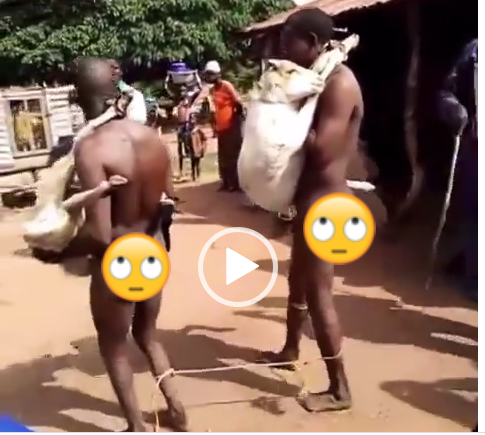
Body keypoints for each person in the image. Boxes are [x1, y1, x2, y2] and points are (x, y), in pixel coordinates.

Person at [70, 57, 187, 432]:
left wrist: (63, 247)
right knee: (148, 335)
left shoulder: (91, 149)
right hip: (152, 249)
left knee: (113, 345)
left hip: (118, 257)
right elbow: (168, 198)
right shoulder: (151, 137)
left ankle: (137, 426)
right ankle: (177, 411)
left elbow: (100, 233)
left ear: (80, 97)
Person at [258, 8, 363, 413]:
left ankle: (340, 389)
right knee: (298, 281)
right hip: (309, 201)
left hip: (328, 207)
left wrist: (279, 116)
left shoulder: (339, 85)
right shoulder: (316, 80)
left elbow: (321, 150)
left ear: (314, 44)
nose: (283, 49)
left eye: (290, 42)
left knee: (319, 296)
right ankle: (290, 349)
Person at [437, 39, 477, 302]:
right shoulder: (475, 51)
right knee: (474, 216)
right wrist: (454, 109)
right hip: (477, 151)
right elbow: (445, 92)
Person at [203, 60, 244, 192]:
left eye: (210, 74)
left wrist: (236, 120)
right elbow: (214, 109)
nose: (208, 77)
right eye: (207, 74)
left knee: (232, 155)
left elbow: (238, 102)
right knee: (222, 156)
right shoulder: (212, 90)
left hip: (231, 126)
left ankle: (234, 183)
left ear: (217, 74)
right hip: (221, 128)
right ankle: (225, 182)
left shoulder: (226, 86)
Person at [109, 59, 148, 124]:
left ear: (121, 72)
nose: (111, 71)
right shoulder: (94, 93)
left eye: (115, 68)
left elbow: (136, 123)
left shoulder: (135, 95)